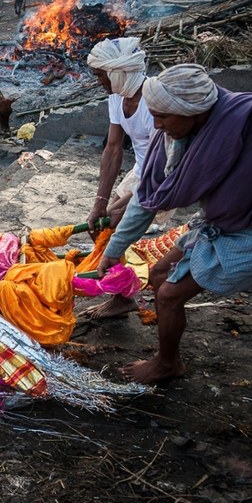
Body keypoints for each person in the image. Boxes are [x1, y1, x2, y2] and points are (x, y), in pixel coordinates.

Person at [97, 64, 252, 384]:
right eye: (153, 114)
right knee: (158, 274)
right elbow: (149, 198)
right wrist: (114, 250)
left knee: (170, 294)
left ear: (191, 111)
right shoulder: (178, 135)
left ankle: (168, 363)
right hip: (223, 222)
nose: (156, 125)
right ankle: (167, 355)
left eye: (163, 117)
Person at [83, 37, 169, 319]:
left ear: (118, 71)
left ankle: (125, 296)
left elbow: (160, 165)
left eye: (100, 75)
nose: (99, 82)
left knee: (118, 229)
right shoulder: (117, 98)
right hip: (142, 171)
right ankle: (121, 294)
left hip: (165, 175)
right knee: (104, 224)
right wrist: (101, 201)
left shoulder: (154, 101)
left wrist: (124, 205)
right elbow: (113, 148)